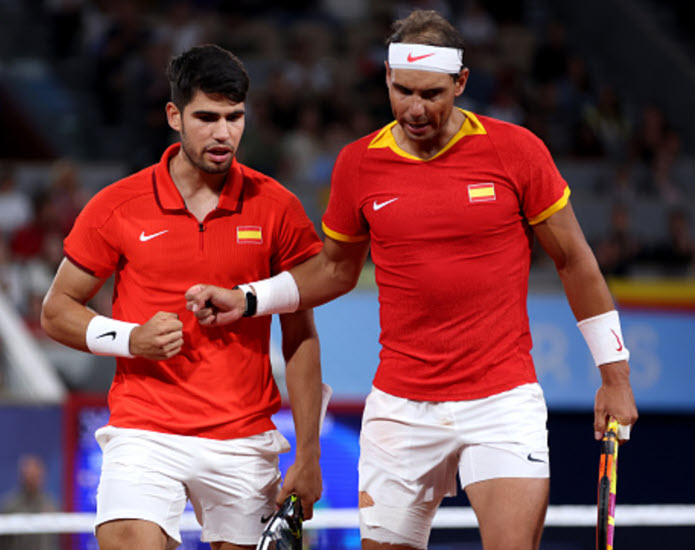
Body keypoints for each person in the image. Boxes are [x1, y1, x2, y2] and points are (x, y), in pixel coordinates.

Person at [185, 11, 638, 550]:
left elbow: (575, 261)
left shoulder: (516, 151)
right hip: (400, 409)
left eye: (432, 93)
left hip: (500, 401)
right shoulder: (358, 164)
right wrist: (248, 298)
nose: (416, 109)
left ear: (461, 83)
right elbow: (334, 270)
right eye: (403, 91)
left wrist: (615, 375)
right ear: (386, 79)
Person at [41, 44, 324, 550]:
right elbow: (56, 310)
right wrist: (132, 339)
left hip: (244, 437)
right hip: (145, 431)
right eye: (207, 117)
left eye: (234, 117)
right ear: (174, 115)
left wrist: (308, 455)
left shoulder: (278, 207)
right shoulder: (117, 205)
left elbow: (300, 335)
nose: (223, 133)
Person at [0, 454, 59, 550]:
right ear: (22, 477)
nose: (31, 480)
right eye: (28, 476)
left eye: (35, 476)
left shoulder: (50, 506)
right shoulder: (10, 506)